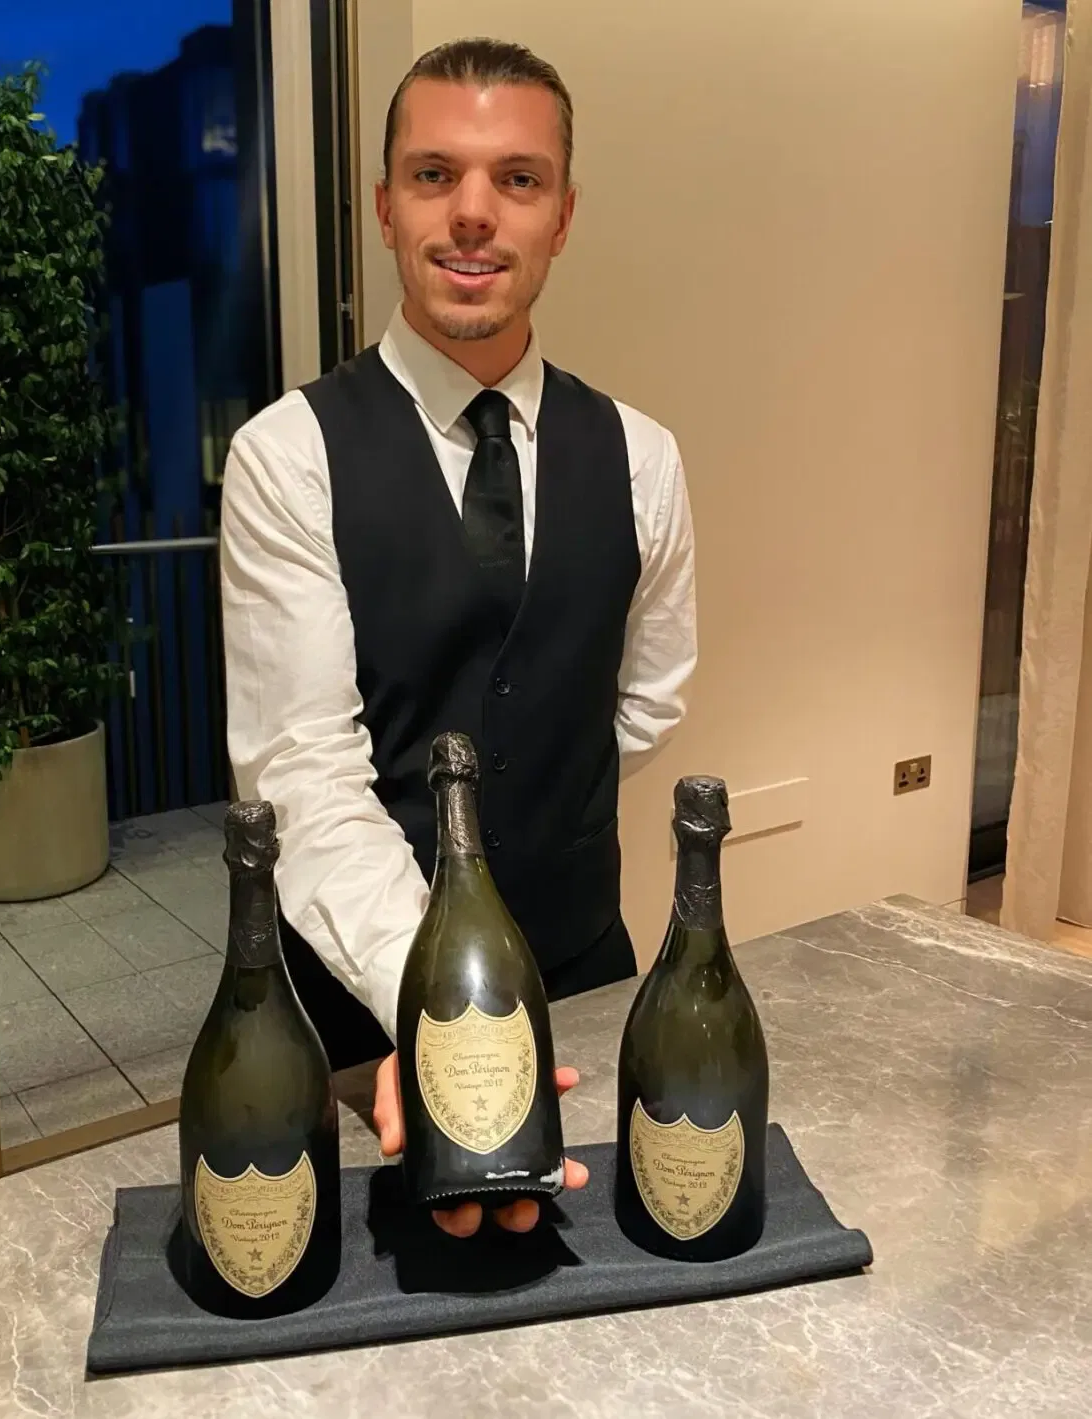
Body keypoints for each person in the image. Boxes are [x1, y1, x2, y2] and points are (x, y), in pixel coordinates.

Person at [221, 37, 697, 1236]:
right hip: (362, 1014)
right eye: (435, 175)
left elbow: (643, 704)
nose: (474, 213)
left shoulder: (643, 458)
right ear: (385, 206)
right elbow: (300, 768)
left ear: (563, 215)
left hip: (587, 981)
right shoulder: (287, 457)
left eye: (517, 179)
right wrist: (441, 1004)